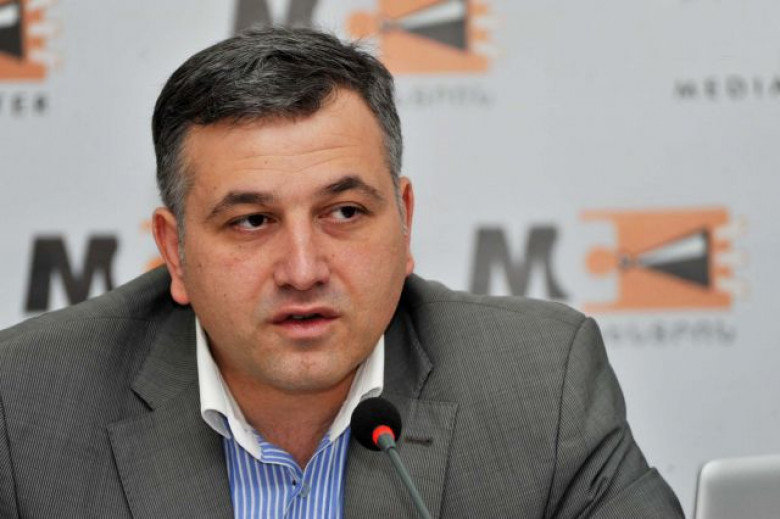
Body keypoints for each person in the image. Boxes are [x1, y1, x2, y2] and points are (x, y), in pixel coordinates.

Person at [0, 27, 683, 518]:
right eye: (252, 221)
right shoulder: (26, 405)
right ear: (174, 252)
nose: (302, 269)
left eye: (345, 212)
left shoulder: (537, 383)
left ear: (404, 221)